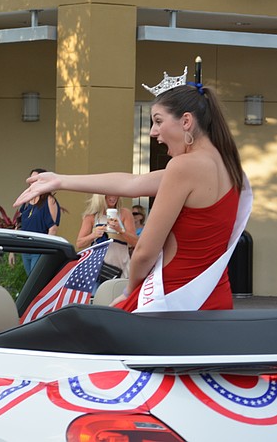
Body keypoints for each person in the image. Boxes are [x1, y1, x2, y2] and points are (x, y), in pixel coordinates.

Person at [15, 67, 251, 312]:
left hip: (172, 299)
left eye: (158, 121)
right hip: (214, 296)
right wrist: (60, 180)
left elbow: (145, 252)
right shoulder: (229, 167)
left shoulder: (183, 167)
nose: (153, 132)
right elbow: (131, 183)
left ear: (186, 121)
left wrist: (129, 291)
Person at [76, 194, 138, 278]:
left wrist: (120, 230)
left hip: (121, 267)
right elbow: (79, 243)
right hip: (98, 267)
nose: (113, 197)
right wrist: (93, 235)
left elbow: (135, 242)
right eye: (108, 195)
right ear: (100, 196)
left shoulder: (124, 213)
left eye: (115, 194)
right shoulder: (92, 216)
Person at [15, 168, 61, 275]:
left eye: (35, 179)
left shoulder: (49, 200)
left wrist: (46, 250)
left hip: (39, 248)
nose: (32, 182)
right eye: (31, 179)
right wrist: (12, 251)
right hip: (25, 248)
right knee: (30, 278)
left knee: (36, 277)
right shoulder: (27, 200)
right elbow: (19, 224)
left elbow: (53, 228)